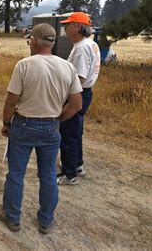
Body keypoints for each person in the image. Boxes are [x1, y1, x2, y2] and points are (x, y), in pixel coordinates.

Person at [0, 23, 82, 234]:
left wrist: (6, 124)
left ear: (34, 41)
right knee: (48, 175)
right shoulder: (67, 67)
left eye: (29, 40)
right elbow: (77, 104)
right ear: (52, 42)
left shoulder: (24, 65)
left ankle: (12, 217)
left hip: (24, 125)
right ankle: (45, 220)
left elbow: (10, 101)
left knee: (16, 173)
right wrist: (57, 119)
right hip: (51, 127)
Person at [58, 12, 101, 185]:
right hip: (85, 92)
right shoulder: (90, 44)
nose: (65, 28)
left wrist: (64, 94)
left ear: (77, 26)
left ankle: (69, 175)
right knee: (76, 132)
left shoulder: (81, 48)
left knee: (68, 133)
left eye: (67, 25)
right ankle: (77, 165)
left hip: (78, 93)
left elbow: (79, 78)